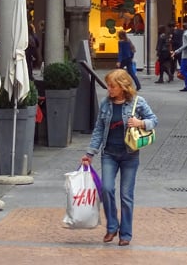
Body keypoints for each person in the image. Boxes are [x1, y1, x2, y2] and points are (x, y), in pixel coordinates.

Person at [81, 68, 158, 246]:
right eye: (108, 86)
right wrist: (89, 153)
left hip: (130, 154)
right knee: (107, 189)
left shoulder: (137, 102)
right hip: (109, 153)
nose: (109, 89)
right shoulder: (105, 104)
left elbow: (154, 120)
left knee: (126, 195)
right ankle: (112, 227)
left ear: (123, 87)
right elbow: (99, 129)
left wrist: (141, 123)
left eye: (112, 86)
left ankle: (126, 233)